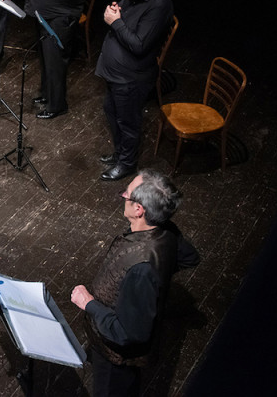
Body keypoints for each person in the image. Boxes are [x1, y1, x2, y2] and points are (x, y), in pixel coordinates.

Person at [71, 169, 199, 396]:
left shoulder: (142, 268)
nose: (123, 197)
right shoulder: (166, 231)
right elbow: (190, 257)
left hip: (115, 359)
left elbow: (127, 334)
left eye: (126, 194)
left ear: (139, 209)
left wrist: (88, 303)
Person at [96, 0, 174, 182]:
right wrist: (116, 13)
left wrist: (115, 22)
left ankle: (127, 164)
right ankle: (120, 154)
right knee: (111, 111)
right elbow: (124, 18)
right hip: (116, 74)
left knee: (128, 122)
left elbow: (139, 45)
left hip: (131, 78)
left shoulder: (159, 6)